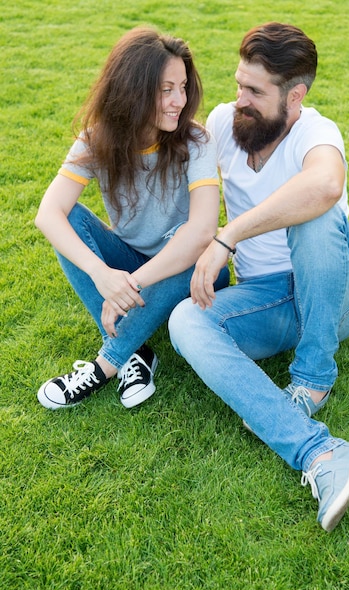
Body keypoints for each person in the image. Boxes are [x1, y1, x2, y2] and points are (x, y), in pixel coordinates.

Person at [169, 22, 349, 532]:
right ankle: (320, 452)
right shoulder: (221, 122)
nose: (240, 100)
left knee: (318, 212)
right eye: (239, 84)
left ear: (295, 97)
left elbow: (325, 184)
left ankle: (313, 378)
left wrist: (229, 234)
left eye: (255, 92)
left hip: (333, 292)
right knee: (186, 321)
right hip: (270, 301)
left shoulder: (315, 131)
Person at [35, 27, 228, 410]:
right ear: (133, 90)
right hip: (130, 259)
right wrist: (101, 273)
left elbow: (204, 231)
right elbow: (48, 214)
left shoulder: (196, 141)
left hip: (195, 274)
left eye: (183, 87)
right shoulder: (97, 140)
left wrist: (131, 283)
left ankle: (107, 363)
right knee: (69, 218)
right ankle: (137, 352)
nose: (179, 100)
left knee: (189, 240)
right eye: (166, 89)